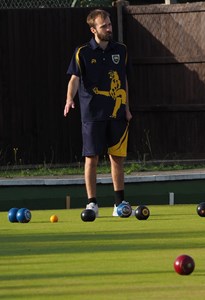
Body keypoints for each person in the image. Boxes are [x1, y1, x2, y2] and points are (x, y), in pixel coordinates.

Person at [64, 9, 132, 217]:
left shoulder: (121, 50)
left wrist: (127, 108)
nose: (109, 28)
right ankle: (92, 203)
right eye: (104, 26)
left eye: (110, 24)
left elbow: (124, 80)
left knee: (117, 158)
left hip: (117, 114)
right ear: (93, 29)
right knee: (91, 158)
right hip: (92, 114)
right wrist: (69, 98)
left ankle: (119, 204)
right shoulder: (82, 52)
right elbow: (74, 79)